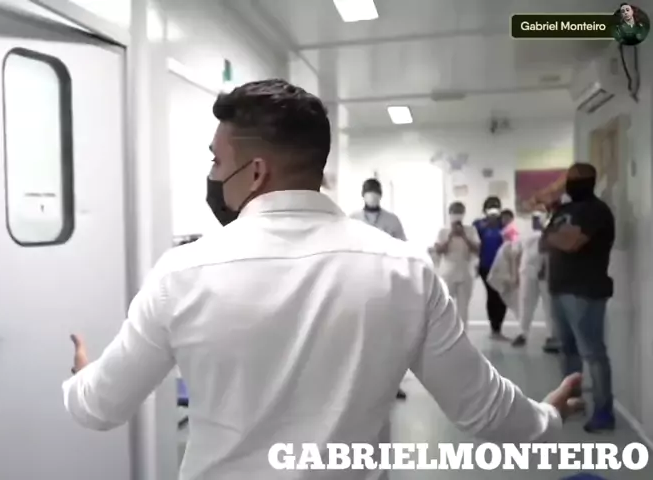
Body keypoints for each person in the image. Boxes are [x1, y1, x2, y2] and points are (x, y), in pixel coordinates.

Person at [62, 79, 582, 480]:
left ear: (256, 172)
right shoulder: (404, 270)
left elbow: (99, 406)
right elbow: (483, 409)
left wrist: (83, 375)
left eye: (218, 161)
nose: (214, 175)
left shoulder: (182, 273)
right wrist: (548, 418)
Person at [541, 163, 616, 433]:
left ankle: (604, 412)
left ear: (589, 181)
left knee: (593, 353)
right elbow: (549, 242)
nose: (569, 184)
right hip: (560, 288)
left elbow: (570, 243)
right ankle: (572, 402)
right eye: (568, 179)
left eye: (574, 179)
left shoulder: (596, 211)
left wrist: (550, 233)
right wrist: (552, 229)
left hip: (585, 292)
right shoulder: (564, 210)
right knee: (568, 351)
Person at [350, 178, 409, 400]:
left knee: (389, 337)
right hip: (359, 282)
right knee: (361, 336)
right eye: (369, 192)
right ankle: (361, 384)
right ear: (363, 194)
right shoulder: (352, 219)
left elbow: (403, 248)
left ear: (381, 195)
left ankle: (392, 384)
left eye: (375, 192)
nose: (372, 195)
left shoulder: (392, 221)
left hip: (386, 283)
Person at [512, 208, 560, 352]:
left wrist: (545, 267)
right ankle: (522, 333)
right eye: (534, 218)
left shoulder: (551, 232)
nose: (536, 220)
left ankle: (551, 335)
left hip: (546, 273)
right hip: (527, 271)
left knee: (549, 305)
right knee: (525, 302)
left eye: (539, 217)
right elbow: (516, 253)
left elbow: (550, 251)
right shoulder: (524, 233)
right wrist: (515, 274)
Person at [433, 201, 480, 330]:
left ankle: (462, 335)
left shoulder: (471, 230)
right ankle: (444, 334)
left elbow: (477, 249)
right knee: (445, 306)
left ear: (463, 214)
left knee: (463, 308)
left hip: (465, 272)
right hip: (448, 273)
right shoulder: (443, 231)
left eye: (460, 212)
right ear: (450, 213)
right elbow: (438, 250)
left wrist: (464, 236)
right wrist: (450, 236)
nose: (457, 214)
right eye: (455, 212)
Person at [473, 197, 508, 338]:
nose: (493, 209)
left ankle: (498, 327)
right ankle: (495, 328)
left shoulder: (504, 224)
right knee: (492, 294)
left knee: (502, 296)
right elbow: (475, 245)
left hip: (502, 266)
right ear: (485, 210)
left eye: (496, 206)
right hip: (485, 265)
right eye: (490, 207)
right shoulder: (478, 225)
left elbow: (513, 242)